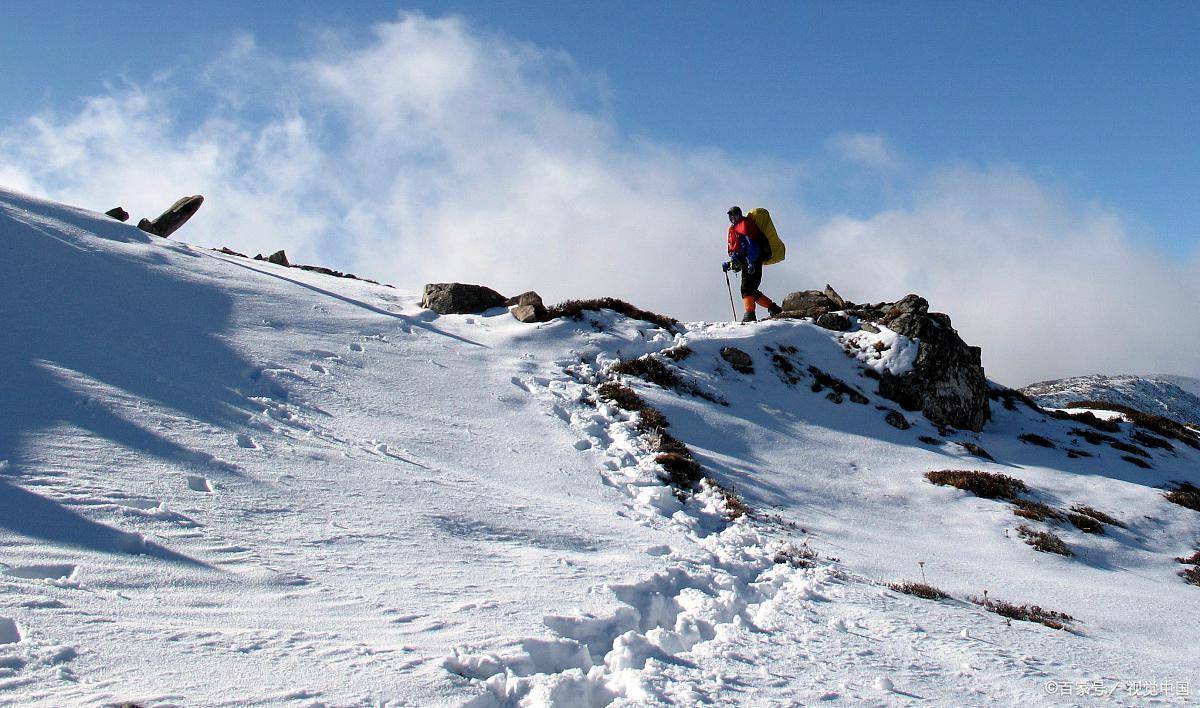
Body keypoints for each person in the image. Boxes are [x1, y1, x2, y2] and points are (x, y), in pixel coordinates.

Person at [723, 206, 782, 322]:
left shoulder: (744, 225)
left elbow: (751, 246)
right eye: (731, 216)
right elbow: (739, 252)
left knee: (747, 289)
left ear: (740, 214)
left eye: (735, 215)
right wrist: (730, 265)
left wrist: (752, 262)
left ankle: (750, 314)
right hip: (749, 262)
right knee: (751, 290)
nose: (733, 218)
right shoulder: (736, 228)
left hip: (753, 262)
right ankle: (773, 308)